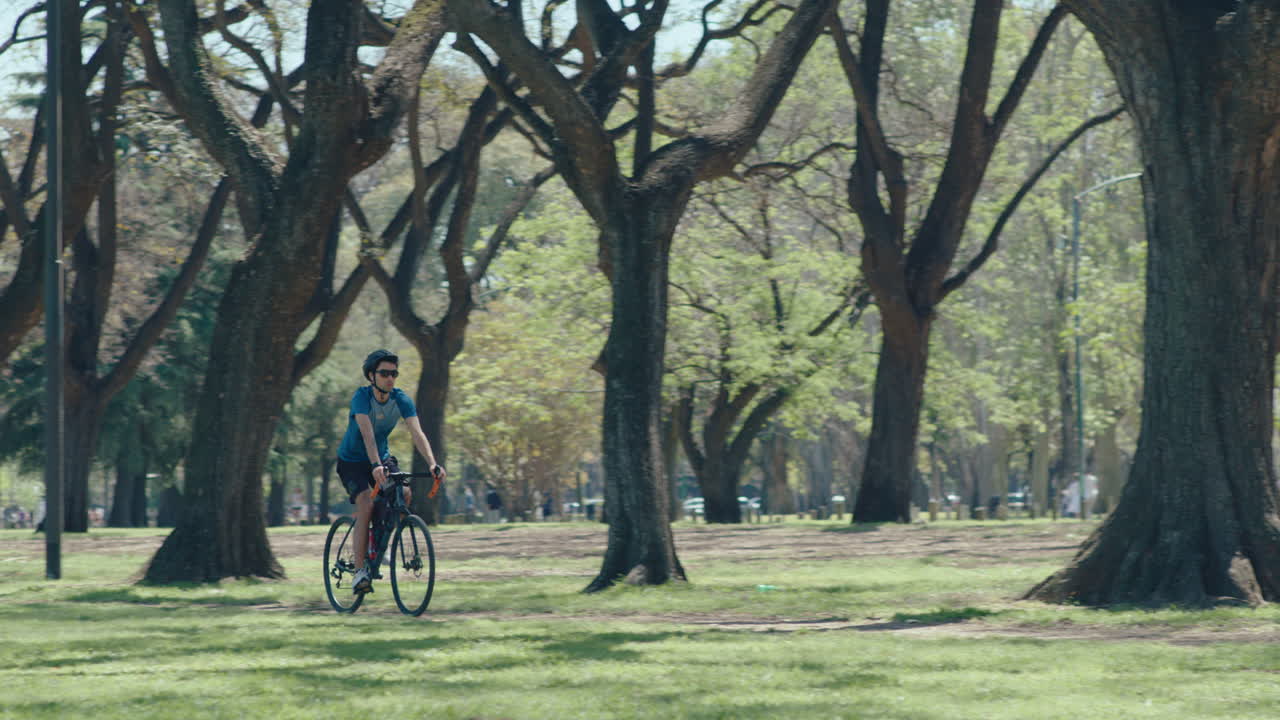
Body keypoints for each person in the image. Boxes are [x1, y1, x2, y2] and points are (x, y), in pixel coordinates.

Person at [336, 349, 445, 595]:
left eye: (394, 374)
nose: (390, 379)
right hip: (352, 461)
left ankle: (378, 544)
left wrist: (432, 463)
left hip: (381, 459)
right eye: (384, 373)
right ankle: (360, 571)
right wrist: (374, 465)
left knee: (404, 494)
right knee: (365, 503)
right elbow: (367, 434)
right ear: (371, 376)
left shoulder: (401, 399)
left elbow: (417, 433)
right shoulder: (361, 398)